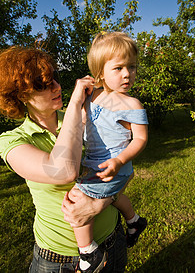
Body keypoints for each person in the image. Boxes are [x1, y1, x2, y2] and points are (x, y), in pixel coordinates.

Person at [0, 46, 127, 273]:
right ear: (21, 95)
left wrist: (100, 203)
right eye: (43, 84)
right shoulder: (11, 141)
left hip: (112, 238)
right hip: (59, 259)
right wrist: (76, 103)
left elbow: (124, 164)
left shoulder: (84, 116)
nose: (57, 87)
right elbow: (62, 170)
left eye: (55, 78)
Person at [68, 31, 149, 273]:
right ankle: (134, 221)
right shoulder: (93, 95)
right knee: (112, 199)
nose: (127, 74)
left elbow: (141, 139)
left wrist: (119, 159)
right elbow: (85, 121)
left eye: (132, 67)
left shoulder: (132, 104)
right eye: (119, 68)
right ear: (100, 72)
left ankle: (89, 253)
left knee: (76, 199)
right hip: (96, 163)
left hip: (115, 166)